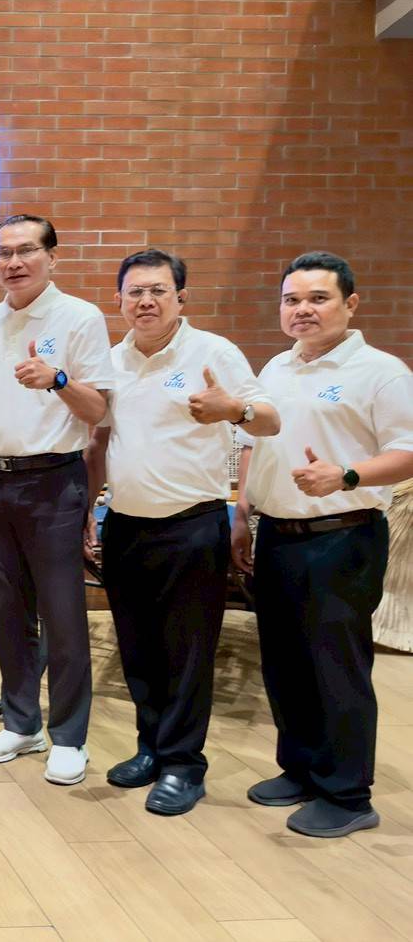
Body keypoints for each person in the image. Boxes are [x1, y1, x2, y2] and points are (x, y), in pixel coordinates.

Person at [83, 249, 278, 815]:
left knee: (187, 651)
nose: (145, 301)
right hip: (125, 525)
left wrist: (232, 409)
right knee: (137, 647)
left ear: (181, 298)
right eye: (135, 292)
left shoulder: (213, 352)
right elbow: (99, 441)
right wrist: (84, 508)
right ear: (119, 300)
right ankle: (151, 748)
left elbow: (269, 421)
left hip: (192, 525)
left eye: (158, 291)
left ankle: (184, 766)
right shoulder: (111, 360)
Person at [232, 252, 413, 838]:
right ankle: (302, 769)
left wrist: (348, 475)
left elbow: (409, 451)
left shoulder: (381, 372)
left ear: (350, 304)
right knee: (285, 663)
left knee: (337, 667)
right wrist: (243, 513)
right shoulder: (276, 368)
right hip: (278, 535)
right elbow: (256, 446)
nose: (302, 310)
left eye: (318, 298)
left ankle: (348, 794)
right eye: (292, 300)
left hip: (344, 536)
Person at [0, 215, 113, 785]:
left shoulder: (80, 317)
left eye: (26, 250)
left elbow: (100, 411)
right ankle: (21, 723)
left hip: (53, 482)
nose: (13, 262)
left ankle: (70, 736)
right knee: (6, 612)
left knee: (63, 616)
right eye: (3, 253)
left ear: (53, 256)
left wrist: (57, 380)